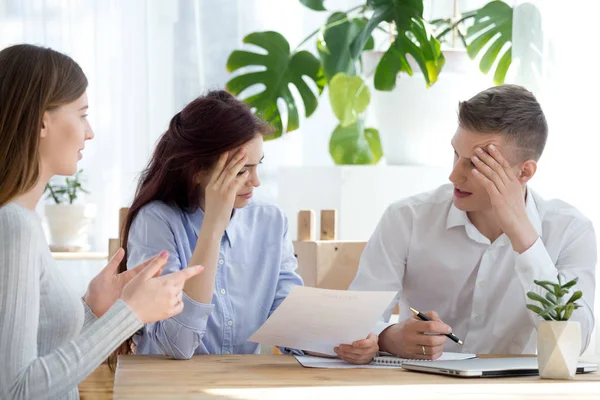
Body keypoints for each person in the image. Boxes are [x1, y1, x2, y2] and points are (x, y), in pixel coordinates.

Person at [113, 91, 378, 365]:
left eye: (257, 166)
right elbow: (178, 344)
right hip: (165, 386)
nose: (256, 181)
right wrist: (213, 227)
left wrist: (346, 343)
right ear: (198, 171)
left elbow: (290, 322)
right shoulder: (155, 221)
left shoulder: (270, 222)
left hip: (238, 383)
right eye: (241, 171)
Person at [0, 44, 203, 400]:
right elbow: (17, 390)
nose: (89, 132)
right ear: (41, 121)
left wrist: (92, 309)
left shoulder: (24, 221)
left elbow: (43, 355)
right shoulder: (12, 226)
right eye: (81, 114)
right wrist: (130, 313)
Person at [345, 84, 596, 361]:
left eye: (476, 164)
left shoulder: (570, 230)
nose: (454, 175)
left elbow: (575, 340)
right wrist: (388, 338)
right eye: (456, 154)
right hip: (419, 386)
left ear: (524, 172)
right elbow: (353, 325)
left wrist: (524, 238)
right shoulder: (407, 218)